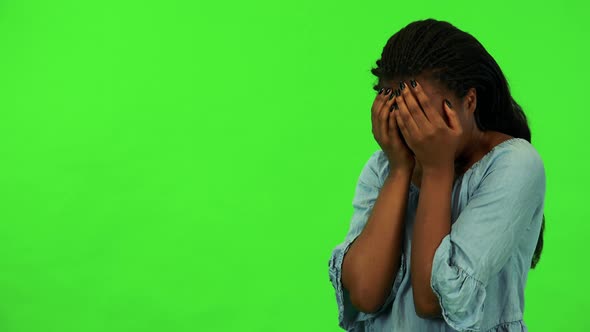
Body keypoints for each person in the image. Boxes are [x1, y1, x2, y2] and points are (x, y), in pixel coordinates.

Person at [327, 19, 546, 331]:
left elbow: (433, 301)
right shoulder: (385, 165)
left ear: (469, 102)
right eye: (400, 111)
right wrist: (400, 171)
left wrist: (436, 168)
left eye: (423, 114)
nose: (413, 131)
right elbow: (364, 294)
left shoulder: (515, 163)